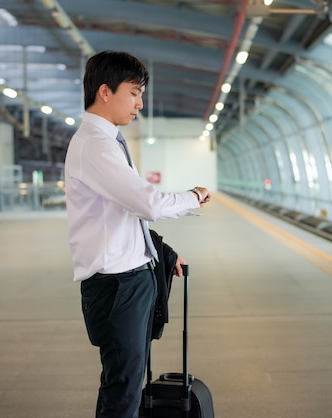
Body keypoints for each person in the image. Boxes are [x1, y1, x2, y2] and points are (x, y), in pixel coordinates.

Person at [64, 50, 210, 418]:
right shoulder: (95, 145)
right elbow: (145, 203)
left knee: (123, 384)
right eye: (134, 93)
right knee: (124, 390)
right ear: (105, 92)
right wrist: (191, 196)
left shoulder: (107, 141)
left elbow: (125, 211)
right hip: (117, 286)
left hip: (128, 279)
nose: (139, 104)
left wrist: (165, 253)